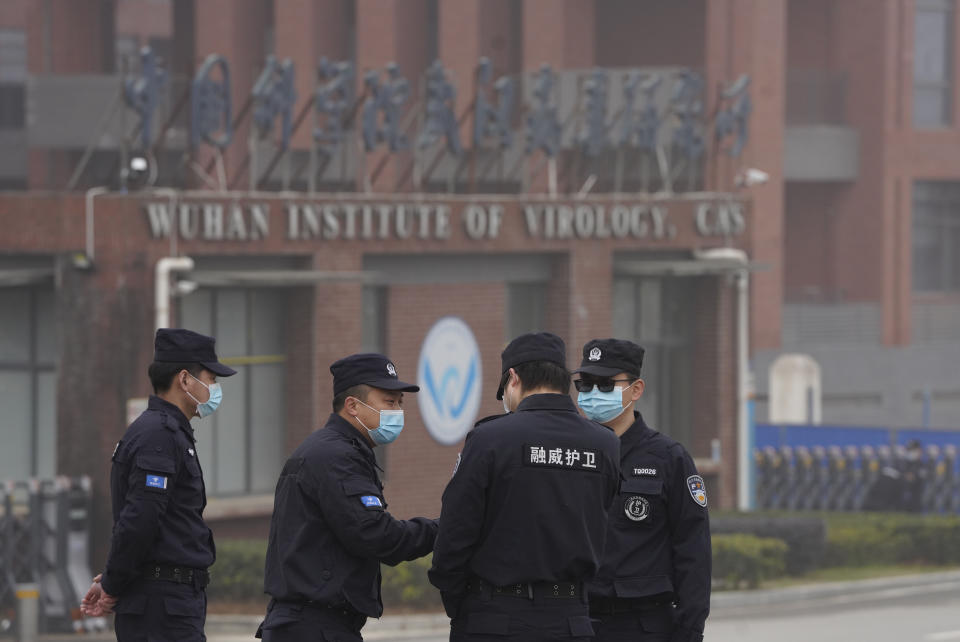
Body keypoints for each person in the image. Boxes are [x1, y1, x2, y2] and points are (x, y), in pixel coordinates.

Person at [429, 332, 621, 642]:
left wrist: (461, 603)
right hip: (571, 620)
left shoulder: (490, 439)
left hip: (494, 617)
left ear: (513, 378)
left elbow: (455, 534)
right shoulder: (605, 444)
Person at [257, 353, 438, 642]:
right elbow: (377, 535)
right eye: (389, 402)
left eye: (400, 403)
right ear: (353, 406)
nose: (397, 412)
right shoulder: (337, 458)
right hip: (314, 627)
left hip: (311, 625)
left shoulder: (333, 450)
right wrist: (445, 528)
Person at [80, 328, 237, 641]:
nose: (214, 388)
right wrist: (112, 586)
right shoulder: (159, 436)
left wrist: (113, 577)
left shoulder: (167, 432)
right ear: (184, 380)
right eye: (210, 378)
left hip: (168, 601)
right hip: (163, 608)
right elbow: (140, 519)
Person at [573, 338, 710, 642]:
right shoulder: (569, 454)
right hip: (574, 622)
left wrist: (689, 631)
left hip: (643, 625)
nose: (594, 393)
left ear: (636, 390)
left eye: (606, 384)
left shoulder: (668, 458)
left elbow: (693, 551)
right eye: (585, 384)